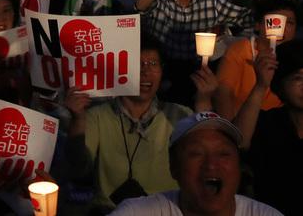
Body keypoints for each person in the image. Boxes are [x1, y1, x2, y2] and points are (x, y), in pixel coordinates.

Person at [65, 37, 218, 213]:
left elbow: (207, 157)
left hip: (165, 210)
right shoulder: (97, 116)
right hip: (111, 210)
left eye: (153, 63)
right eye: (138, 63)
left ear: (162, 71)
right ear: (120, 69)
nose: (145, 71)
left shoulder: (179, 115)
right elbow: (78, 166)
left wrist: (204, 103)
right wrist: (77, 119)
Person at [111, 112, 281, 215]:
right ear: (173, 167)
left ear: (239, 167)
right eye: (196, 154)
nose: (211, 164)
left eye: (223, 154)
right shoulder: (137, 212)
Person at [234, 39, 303, 214]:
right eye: (298, 78)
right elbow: (238, 142)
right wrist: (261, 85)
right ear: (280, 83)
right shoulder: (269, 123)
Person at [213, 0, 297, 119]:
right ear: (258, 25)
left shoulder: (297, 57)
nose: (282, 28)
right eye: (275, 21)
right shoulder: (242, 50)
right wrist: (232, 132)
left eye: (289, 22)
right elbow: (223, 92)